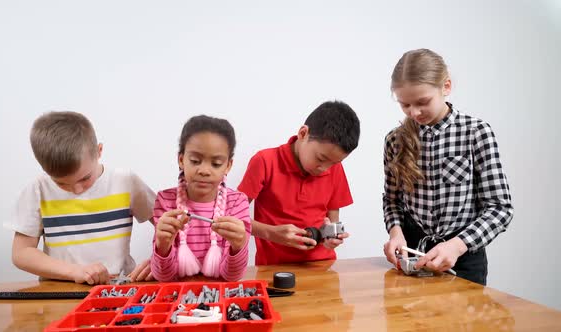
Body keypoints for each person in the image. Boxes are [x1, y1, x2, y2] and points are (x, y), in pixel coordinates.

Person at [382, 49, 514, 285]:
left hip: (463, 259)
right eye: (405, 105)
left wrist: (456, 245)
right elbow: (392, 201)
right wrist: (396, 233)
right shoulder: (394, 140)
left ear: (446, 87)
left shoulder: (475, 132)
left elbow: (500, 208)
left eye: (423, 102)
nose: (414, 112)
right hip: (412, 257)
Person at [7, 111, 156, 285]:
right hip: (61, 290)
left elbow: (174, 227)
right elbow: (21, 253)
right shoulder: (38, 189)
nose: (76, 190)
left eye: (85, 178)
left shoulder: (126, 181)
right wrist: (74, 271)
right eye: (61, 184)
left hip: (120, 287)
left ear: (99, 151)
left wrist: (161, 261)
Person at [238, 101, 360, 265]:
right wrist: (271, 233)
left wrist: (330, 238)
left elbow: (333, 220)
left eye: (334, 162)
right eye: (321, 158)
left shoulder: (335, 168)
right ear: (303, 133)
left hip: (322, 266)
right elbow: (233, 217)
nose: (325, 169)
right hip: (273, 267)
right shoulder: (265, 162)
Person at [150, 115, 251, 281]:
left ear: (228, 166)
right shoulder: (166, 201)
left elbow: (232, 277)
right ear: (181, 160)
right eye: (195, 161)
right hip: (178, 297)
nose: (204, 170)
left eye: (216, 164)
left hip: (220, 298)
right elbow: (164, 276)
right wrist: (162, 246)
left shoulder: (237, 203)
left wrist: (238, 246)